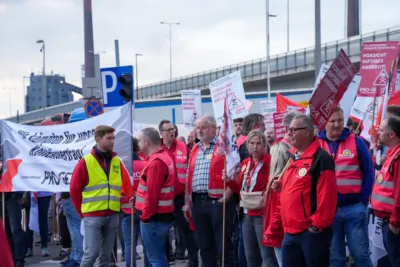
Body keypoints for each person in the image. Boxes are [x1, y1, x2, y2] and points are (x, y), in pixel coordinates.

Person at [276, 114, 337, 267]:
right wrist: (281, 186)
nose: (289, 133)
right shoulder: (293, 157)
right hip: (290, 230)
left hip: (310, 232)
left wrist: (316, 225)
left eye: (293, 130)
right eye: (288, 130)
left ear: (307, 132)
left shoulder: (321, 158)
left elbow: (327, 197)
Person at [318, 107, 374, 267]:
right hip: (328, 211)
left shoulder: (356, 142)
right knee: (336, 259)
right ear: (325, 123)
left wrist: (363, 202)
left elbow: (369, 172)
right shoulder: (317, 144)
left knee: (361, 255)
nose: (337, 124)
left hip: (354, 208)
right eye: (332, 121)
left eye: (340, 120)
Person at [70, 125, 133, 267]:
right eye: (109, 138)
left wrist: (130, 198)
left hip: (112, 215)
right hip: (92, 215)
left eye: (113, 138)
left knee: (105, 258)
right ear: (98, 139)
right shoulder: (85, 162)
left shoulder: (117, 162)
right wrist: (83, 213)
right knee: (91, 254)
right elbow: (74, 190)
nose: (112, 141)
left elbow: (127, 185)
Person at [224, 130, 279, 267]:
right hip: (246, 214)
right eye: (252, 143)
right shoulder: (245, 163)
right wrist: (229, 181)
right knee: (250, 257)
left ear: (264, 145)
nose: (255, 147)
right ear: (247, 145)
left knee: (267, 256)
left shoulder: (270, 162)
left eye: (259, 143)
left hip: (262, 214)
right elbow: (238, 188)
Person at [185, 116, 234, 267]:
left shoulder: (223, 147)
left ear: (214, 128)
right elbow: (189, 176)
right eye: (198, 127)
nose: (199, 130)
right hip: (198, 203)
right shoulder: (195, 148)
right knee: (205, 247)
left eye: (204, 127)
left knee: (223, 247)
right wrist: (188, 203)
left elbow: (234, 172)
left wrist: (227, 195)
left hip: (217, 203)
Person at [159, 120, 198, 266]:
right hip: (164, 197)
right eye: (168, 130)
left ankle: (193, 261)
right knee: (163, 231)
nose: (172, 132)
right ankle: (166, 261)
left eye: (173, 129)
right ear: (161, 133)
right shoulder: (158, 148)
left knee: (188, 229)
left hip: (181, 197)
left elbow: (190, 168)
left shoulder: (183, 147)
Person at [136, 127, 175, 267]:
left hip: (153, 218)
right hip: (160, 216)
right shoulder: (162, 157)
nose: (138, 143)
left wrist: (145, 217)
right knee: (156, 257)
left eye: (140, 140)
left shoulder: (156, 163)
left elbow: (152, 195)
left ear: (147, 142)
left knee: (156, 259)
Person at [372, 116, 400, 267]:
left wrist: (395, 221)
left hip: (393, 223)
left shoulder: (398, 158)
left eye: (382, 130)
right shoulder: (392, 155)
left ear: (392, 134)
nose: (378, 132)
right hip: (387, 221)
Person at [263, 142, 291, 267]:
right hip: (280, 231)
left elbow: (278, 209)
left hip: (279, 232)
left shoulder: (277, 182)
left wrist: (270, 231)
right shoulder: (283, 179)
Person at [120, 137, 146, 267]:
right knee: (147, 245)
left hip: (127, 211)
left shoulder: (122, 167)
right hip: (143, 210)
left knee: (129, 246)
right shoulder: (145, 164)